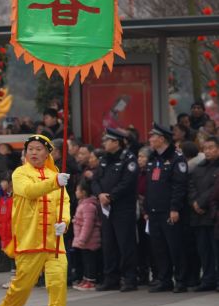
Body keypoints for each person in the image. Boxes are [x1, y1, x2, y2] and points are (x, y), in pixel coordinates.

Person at [0, 134, 76, 306]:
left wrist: (64, 222)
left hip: (54, 241)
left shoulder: (55, 174)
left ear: (48, 153)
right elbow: (29, 191)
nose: (34, 152)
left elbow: (64, 202)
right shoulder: (20, 173)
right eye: (30, 148)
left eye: (39, 149)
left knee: (58, 283)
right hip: (29, 239)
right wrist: (54, 182)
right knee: (22, 286)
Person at [91, 126, 139, 291]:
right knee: (108, 243)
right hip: (105, 208)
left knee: (125, 243)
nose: (104, 143)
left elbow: (128, 182)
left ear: (116, 142)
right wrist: (99, 195)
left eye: (107, 140)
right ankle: (111, 278)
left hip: (122, 207)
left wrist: (110, 196)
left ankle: (129, 278)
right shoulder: (104, 159)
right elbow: (95, 180)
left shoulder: (128, 159)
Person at [145, 123, 189, 292]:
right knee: (159, 247)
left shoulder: (177, 158)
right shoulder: (153, 158)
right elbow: (150, 186)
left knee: (175, 246)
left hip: (169, 210)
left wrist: (175, 208)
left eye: (153, 137)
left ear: (162, 139)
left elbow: (179, 186)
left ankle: (181, 279)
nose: (150, 139)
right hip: (154, 210)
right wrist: (147, 209)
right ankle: (164, 279)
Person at [189, 136, 219, 291]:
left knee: (216, 250)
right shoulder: (198, 168)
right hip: (198, 216)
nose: (207, 151)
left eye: (211, 147)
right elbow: (191, 186)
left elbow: (214, 190)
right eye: (205, 148)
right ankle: (207, 280)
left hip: (213, 215)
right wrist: (194, 202)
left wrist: (201, 203)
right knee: (204, 250)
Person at [72, 178, 101, 290]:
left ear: (83, 192)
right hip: (83, 240)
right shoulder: (82, 204)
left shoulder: (88, 206)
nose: (76, 192)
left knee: (90, 261)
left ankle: (91, 280)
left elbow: (88, 225)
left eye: (77, 190)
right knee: (85, 260)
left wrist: (82, 239)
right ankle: (86, 278)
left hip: (89, 240)